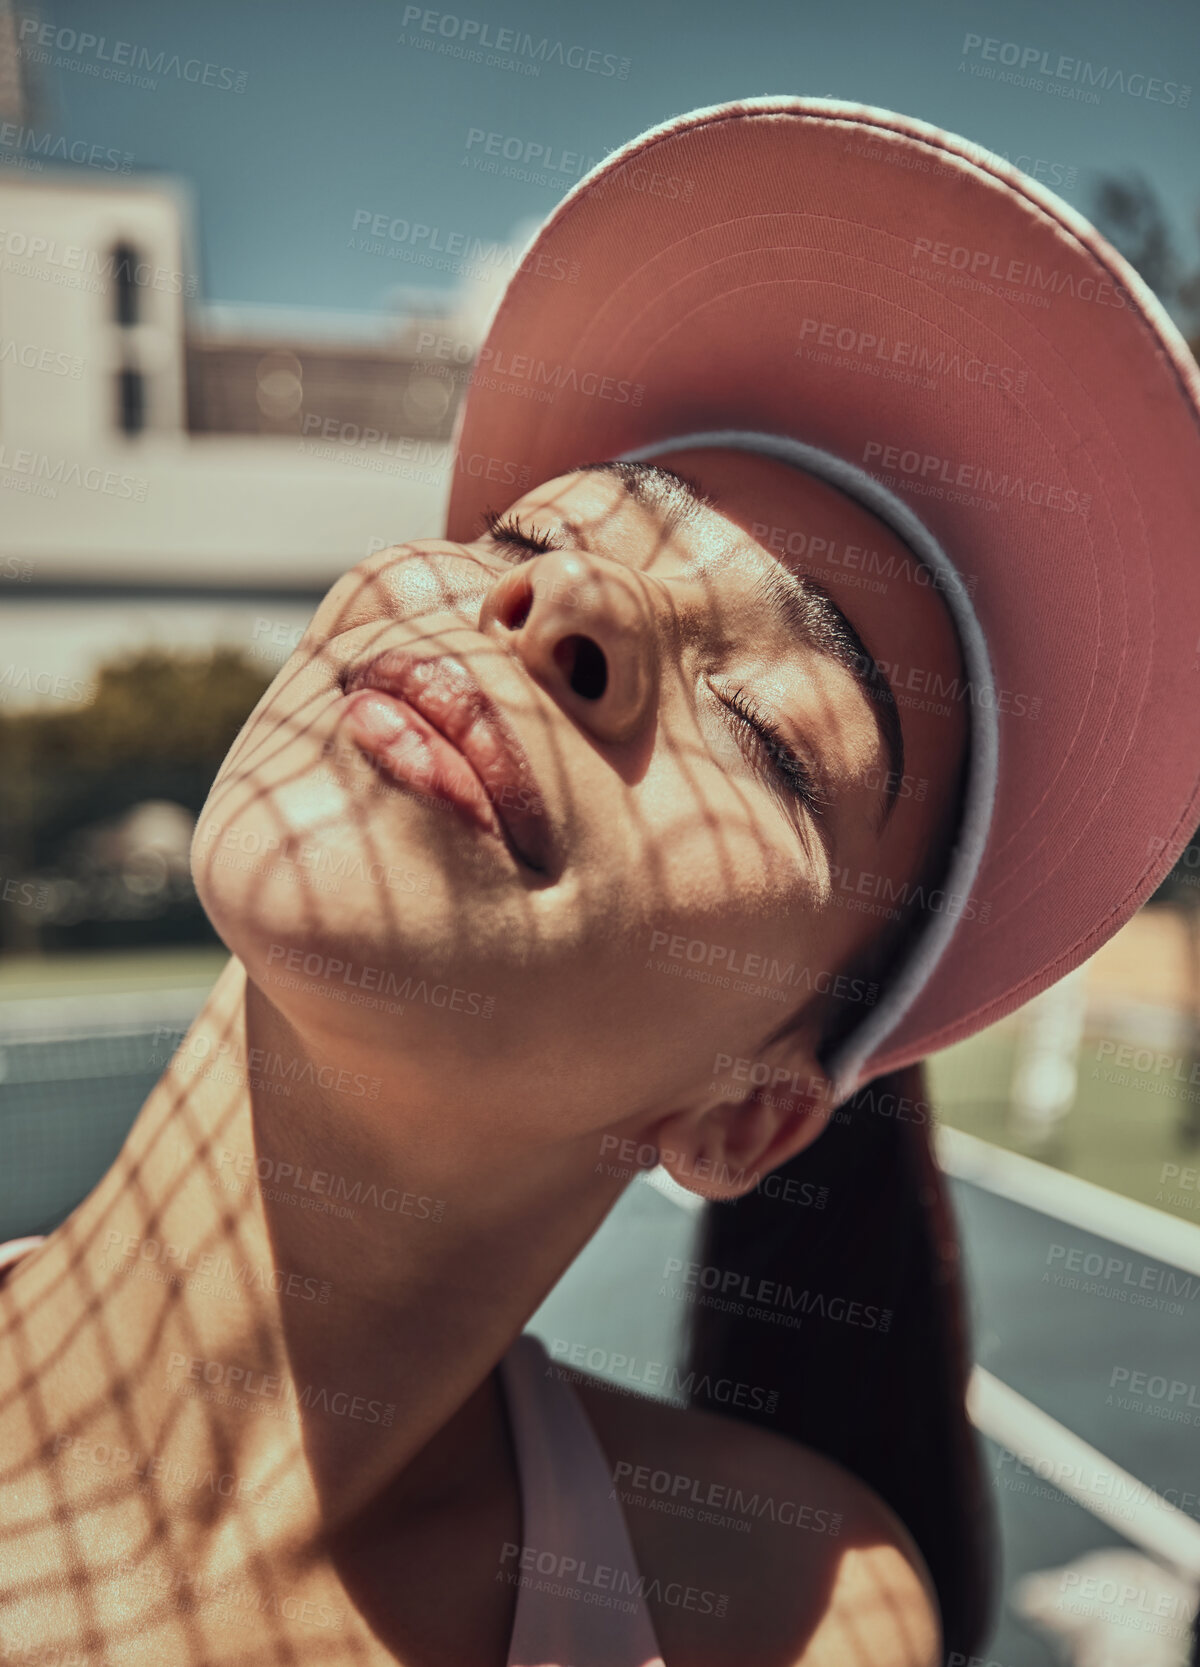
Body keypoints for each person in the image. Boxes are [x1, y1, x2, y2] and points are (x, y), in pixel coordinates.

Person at [2, 96, 1199, 1667]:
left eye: (772, 730)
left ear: (743, 1115)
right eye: (531, 529)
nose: (559, 596)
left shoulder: (796, 1619)